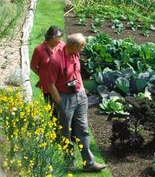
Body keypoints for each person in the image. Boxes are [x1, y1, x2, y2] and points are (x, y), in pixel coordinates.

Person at [48, 33, 107, 173]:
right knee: (65, 132)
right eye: (81, 46)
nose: (83, 49)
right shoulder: (56, 61)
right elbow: (50, 85)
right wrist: (60, 104)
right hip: (65, 98)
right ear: (74, 46)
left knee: (83, 129)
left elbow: (77, 71)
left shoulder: (75, 54)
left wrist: (82, 89)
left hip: (80, 95)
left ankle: (89, 163)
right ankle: (69, 162)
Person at [31, 26, 65, 109]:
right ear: (51, 38)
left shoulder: (62, 45)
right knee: (52, 109)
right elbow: (33, 66)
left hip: (61, 84)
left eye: (60, 38)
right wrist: (42, 75)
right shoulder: (39, 50)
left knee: (64, 108)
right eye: (58, 38)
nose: (60, 40)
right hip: (47, 86)